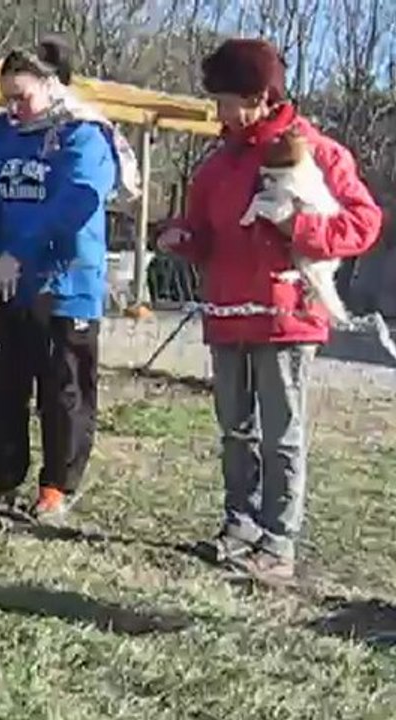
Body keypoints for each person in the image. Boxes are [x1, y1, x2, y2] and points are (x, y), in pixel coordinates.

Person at [156, 38, 382, 581]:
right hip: (228, 311)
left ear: (260, 96)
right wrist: (182, 240)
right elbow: (208, 237)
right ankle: (241, 525)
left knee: (281, 432)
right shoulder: (217, 165)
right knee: (235, 429)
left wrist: (297, 228)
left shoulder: (314, 153)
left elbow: (364, 223)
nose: (220, 112)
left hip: (287, 313)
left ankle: (279, 541)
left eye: (228, 100)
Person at [0, 37, 140, 523]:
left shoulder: (84, 136)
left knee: (64, 390)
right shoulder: (1, 133)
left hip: (65, 282)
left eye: (23, 97)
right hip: (5, 282)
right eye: (6, 98)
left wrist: (19, 252)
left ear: (53, 86)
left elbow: (75, 201)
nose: (14, 108)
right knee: (1, 383)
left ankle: (58, 485)